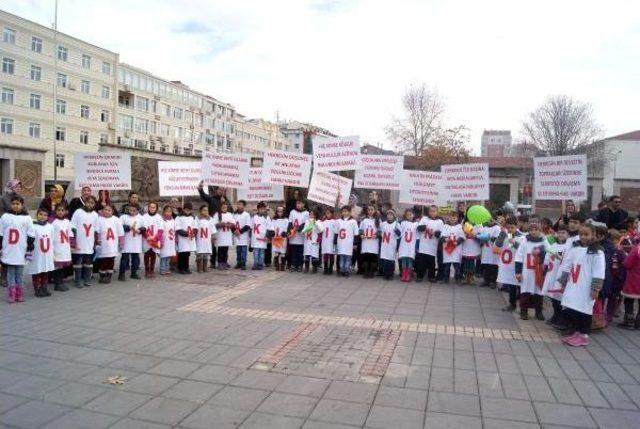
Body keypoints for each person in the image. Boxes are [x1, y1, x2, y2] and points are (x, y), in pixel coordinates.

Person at [557, 223, 605, 346]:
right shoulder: (575, 248)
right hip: (573, 285)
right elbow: (567, 265)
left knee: (584, 310)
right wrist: (563, 281)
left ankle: (583, 335)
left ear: (593, 235)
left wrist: (595, 289)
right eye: (581, 234)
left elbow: (599, 273)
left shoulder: (597, 252)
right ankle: (576, 332)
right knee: (573, 309)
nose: (583, 237)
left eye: (586, 234)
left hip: (586, 287)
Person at [0, 196, 35, 302]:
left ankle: (19, 293)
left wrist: (29, 245)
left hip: (21, 249)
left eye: (18, 204)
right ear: (11, 204)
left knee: (19, 273)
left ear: (22, 205)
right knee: (10, 273)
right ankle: (12, 293)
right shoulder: (5, 217)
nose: (15, 205)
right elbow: (1, 232)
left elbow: (31, 233)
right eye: (13, 203)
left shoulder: (27, 218)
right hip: (9, 249)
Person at [515, 217, 549, 320]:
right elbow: (519, 257)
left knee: (539, 293)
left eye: (536, 230)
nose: (534, 232)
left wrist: (542, 253)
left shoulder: (544, 242)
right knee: (525, 292)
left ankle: (538, 312)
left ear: (540, 231)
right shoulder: (524, 241)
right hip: (527, 273)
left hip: (539, 272)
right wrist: (518, 272)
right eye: (532, 230)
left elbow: (549, 254)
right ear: (529, 231)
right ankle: (523, 311)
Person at [542, 225, 570, 329]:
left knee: (559, 297)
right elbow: (546, 261)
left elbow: (569, 261)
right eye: (559, 233)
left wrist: (560, 258)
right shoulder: (553, 245)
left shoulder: (568, 247)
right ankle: (555, 315)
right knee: (552, 296)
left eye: (564, 233)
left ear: (567, 235)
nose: (561, 235)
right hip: (551, 274)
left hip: (560, 275)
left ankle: (561, 317)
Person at [70, 195, 98, 288]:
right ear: (85, 202)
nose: (90, 204)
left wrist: (96, 241)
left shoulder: (95, 214)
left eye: (92, 203)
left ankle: (87, 279)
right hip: (79, 240)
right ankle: (77, 279)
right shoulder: (78, 212)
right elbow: (73, 226)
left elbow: (96, 229)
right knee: (78, 261)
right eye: (88, 202)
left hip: (89, 241)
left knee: (88, 262)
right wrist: (73, 240)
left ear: (94, 205)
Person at [496, 216, 522, 311]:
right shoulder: (506, 235)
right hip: (508, 265)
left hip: (518, 265)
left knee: (519, 286)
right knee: (511, 285)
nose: (510, 230)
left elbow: (521, 248)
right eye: (508, 228)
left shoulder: (521, 236)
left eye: (512, 228)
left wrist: (514, 243)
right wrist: (502, 233)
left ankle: (523, 305)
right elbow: (498, 245)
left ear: (516, 226)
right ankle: (512, 304)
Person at [28, 208, 55, 297]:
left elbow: (52, 240)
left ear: (48, 217)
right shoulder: (33, 226)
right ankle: (37, 288)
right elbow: (30, 239)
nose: (42, 217)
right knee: (37, 270)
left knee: (45, 270)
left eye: (45, 215)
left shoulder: (50, 226)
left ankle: (44, 287)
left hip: (46, 254)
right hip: (37, 254)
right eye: (41, 214)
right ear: (37, 215)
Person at [197, 181, 225, 267]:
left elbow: (229, 210)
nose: (221, 191)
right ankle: (212, 262)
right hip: (212, 224)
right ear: (217, 190)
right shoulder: (212, 199)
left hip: (223, 225)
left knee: (223, 244)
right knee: (212, 244)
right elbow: (204, 196)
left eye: (223, 190)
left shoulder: (225, 200)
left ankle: (223, 261)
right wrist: (201, 190)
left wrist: (224, 202)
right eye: (220, 189)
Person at [95, 204, 124, 284]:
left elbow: (120, 232)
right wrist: (97, 241)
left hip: (113, 244)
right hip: (103, 244)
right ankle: (102, 275)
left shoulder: (116, 220)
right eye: (105, 209)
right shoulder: (99, 219)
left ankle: (109, 275)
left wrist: (121, 243)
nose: (107, 211)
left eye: (109, 210)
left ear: (112, 211)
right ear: (102, 210)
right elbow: (97, 231)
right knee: (103, 261)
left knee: (111, 260)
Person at [416, 205, 443, 283]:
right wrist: (423, 226)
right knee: (421, 262)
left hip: (432, 245)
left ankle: (431, 276)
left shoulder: (440, 221)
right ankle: (420, 276)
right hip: (423, 244)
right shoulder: (424, 218)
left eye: (434, 211)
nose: (432, 212)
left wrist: (438, 233)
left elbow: (442, 233)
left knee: (431, 262)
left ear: (437, 212)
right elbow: (418, 228)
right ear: (428, 211)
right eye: (431, 211)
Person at [118, 204, 145, 281]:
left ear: (137, 210)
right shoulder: (123, 217)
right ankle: (121, 274)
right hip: (127, 241)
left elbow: (144, 227)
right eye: (130, 210)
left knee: (135, 258)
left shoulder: (141, 217)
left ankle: (134, 273)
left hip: (136, 241)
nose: (132, 212)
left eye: (134, 210)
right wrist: (128, 227)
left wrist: (140, 230)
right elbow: (120, 226)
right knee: (124, 258)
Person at [51, 204, 73, 291]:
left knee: (63, 266)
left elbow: (70, 234)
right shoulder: (53, 222)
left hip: (65, 247)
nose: (60, 212)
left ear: (65, 212)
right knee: (58, 266)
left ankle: (61, 282)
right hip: (56, 247)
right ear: (55, 211)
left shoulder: (67, 221)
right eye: (58, 210)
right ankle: (57, 283)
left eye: (62, 210)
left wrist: (72, 244)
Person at [620, 234, 640, 329]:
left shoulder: (636, 250)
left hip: (634, 279)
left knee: (629, 300)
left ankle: (629, 322)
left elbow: (627, 264)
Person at [440, 212, 465, 284]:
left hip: (456, 250)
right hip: (447, 249)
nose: (452, 219)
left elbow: (462, 237)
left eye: (454, 218)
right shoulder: (445, 226)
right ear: (448, 218)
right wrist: (445, 239)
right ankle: (446, 278)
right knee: (446, 265)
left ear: (457, 218)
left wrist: (457, 242)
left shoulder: (459, 226)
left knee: (457, 266)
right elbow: (442, 237)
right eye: (451, 217)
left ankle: (458, 278)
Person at [142, 202, 164, 278]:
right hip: (147, 240)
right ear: (148, 207)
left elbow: (161, 230)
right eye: (151, 207)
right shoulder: (144, 217)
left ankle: (152, 270)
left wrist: (155, 238)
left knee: (153, 255)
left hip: (155, 240)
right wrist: (147, 237)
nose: (152, 208)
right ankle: (146, 270)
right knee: (147, 255)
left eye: (154, 207)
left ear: (156, 208)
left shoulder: (159, 217)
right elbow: (143, 229)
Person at [335, 205, 359, 277]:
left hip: (349, 243)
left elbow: (356, 233)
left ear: (349, 212)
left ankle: (347, 270)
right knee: (341, 257)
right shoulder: (339, 221)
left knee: (348, 258)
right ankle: (342, 270)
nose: (344, 213)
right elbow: (336, 232)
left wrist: (355, 243)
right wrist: (335, 243)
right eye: (343, 211)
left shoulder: (353, 221)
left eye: (346, 211)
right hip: (341, 243)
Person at [175, 202, 197, 274]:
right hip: (182, 238)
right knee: (182, 253)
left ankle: (186, 267)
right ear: (184, 209)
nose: (188, 211)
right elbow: (177, 228)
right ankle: (181, 268)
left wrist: (194, 233)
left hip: (189, 239)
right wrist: (186, 234)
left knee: (187, 253)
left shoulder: (192, 217)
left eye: (189, 210)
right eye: (186, 209)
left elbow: (195, 226)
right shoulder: (179, 217)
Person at [397, 208, 418, 282]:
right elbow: (400, 233)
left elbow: (417, 236)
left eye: (410, 214)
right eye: (407, 215)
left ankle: (408, 274)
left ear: (413, 215)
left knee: (409, 261)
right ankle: (404, 274)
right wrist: (397, 231)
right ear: (405, 216)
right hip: (404, 245)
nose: (409, 216)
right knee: (403, 261)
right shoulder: (403, 223)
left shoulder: (416, 224)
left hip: (411, 246)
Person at [479, 217, 501, 288]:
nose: (490, 221)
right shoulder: (484, 228)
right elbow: (480, 237)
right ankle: (486, 280)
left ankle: (493, 281)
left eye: (492, 220)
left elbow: (497, 238)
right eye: (488, 220)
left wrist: (489, 238)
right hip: (486, 249)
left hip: (493, 250)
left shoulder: (497, 228)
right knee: (486, 265)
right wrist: (482, 239)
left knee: (493, 266)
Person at [359, 204, 380, 279]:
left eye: (372, 210)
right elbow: (361, 229)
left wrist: (377, 235)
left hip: (373, 242)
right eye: (369, 210)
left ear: (374, 211)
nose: (370, 211)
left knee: (372, 257)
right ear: (367, 211)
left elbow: (380, 230)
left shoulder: (377, 220)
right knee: (366, 256)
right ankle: (366, 271)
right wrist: (361, 234)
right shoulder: (364, 220)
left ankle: (371, 272)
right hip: (366, 241)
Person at [288, 199, 309, 272]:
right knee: (294, 252)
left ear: (304, 204)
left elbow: (306, 223)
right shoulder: (292, 212)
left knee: (300, 252)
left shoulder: (306, 213)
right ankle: (293, 265)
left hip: (301, 236)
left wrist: (299, 228)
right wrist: (289, 231)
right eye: (297, 204)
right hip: (293, 235)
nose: (298, 205)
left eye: (300, 203)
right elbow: (290, 222)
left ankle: (300, 265)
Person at [195, 205, 216, 273]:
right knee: (200, 253)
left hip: (207, 239)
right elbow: (195, 228)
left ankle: (205, 267)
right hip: (200, 239)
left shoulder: (210, 219)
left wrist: (213, 236)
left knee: (206, 253)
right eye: (204, 210)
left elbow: (212, 228)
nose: (206, 211)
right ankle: (199, 267)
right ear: (201, 211)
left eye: (207, 210)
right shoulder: (197, 218)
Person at [214, 201, 235, 270]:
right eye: (223, 207)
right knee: (220, 250)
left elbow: (233, 223)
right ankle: (220, 263)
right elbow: (214, 225)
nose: (224, 208)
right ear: (220, 207)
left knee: (225, 250)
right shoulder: (217, 214)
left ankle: (224, 262)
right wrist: (221, 224)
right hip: (220, 235)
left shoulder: (229, 214)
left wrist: (229, 224)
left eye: (225, 207)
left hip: (227, 235)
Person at [379, 209, 398, 280]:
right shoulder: (383, 224)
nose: (389, 216)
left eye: (391, 215)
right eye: (388, 215)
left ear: (394, 216)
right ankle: (385, 273)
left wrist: (397, 231)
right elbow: (381, 232)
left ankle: (391, 273)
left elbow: (399, 235)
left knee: (391, 259)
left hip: (392, 244)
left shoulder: (396, 224)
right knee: (385, 259)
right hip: (385, 244)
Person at [251, 202, 270, 270]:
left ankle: (260, 264)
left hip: (263, 238)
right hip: (255, 238)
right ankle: (255, 263)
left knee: (261, 252)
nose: (262, 210)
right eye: (260, 209)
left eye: (263, 209)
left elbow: (269, 227)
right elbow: (251, 227)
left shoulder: (267, 218)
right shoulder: (254, 217)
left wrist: (267, 236)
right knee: (255, 252)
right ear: (258, 209)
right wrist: (250, 238)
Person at [303, 207, 322, 273]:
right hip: (307, 240)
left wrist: (315, 223)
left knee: (314, 255)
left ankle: (314, 267)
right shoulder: (307, 221)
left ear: (316, 215)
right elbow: (305, 229)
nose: (311, 216)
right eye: (310, 214)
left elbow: (320, 230)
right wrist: (303, 231)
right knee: (307, 254)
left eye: (313, 214)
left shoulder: (318, 221)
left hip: (314, 240)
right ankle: (306, 267)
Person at [269, 205, 289, 271]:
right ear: (276, 212)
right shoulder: (274, 220)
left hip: (282, 238)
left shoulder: (286, 220)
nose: (279, 213)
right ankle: (277, 265)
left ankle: (283, 265)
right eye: (278, 211)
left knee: (282, 252)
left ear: (283, 212)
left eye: (281, 211)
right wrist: (272, 231)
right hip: (276, 237)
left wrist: (285, 232)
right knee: (276, 251)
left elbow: (287, 227)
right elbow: (271, 226)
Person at [233, 200, 251, 270]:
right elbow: (232, 224)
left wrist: (240, 231)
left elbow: (248, 225)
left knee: (243, 250)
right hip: (237, 236)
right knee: (238, 250)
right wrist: (234, 231)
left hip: (243, 235)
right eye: (238, 204)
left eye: (240, 204)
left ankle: (243, 263)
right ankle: (239, 262)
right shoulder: (234, 215)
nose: (238, 206)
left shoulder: (246, 214)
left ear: (244, 206)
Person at [159, 205, 176, 275]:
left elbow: (175, 230)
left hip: (171, 241)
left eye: (170, 211)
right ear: (164, 212)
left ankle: (167, 268)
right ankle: (162, 269)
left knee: (169, 255)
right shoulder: (162, 220)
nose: (168, 213)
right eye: (167, 211)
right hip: (164, 240)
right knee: (163, 255)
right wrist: (160, 240)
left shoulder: (173, 220)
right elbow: (160, 231)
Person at [320, 208, 337, 275]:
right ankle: (325, 268)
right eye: (326, 213)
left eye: (329, 213)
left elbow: (336, 231)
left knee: (331, 254)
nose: (327, 214)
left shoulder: (334, 221)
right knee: (325, 254)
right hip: (325, 240)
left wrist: (335, 240)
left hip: (331, 240)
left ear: (332, 214)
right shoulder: (323, 221)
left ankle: (331, 268)